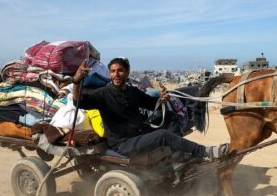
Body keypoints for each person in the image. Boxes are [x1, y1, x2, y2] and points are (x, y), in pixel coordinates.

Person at [72, 57, 229, 161]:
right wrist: (77, 80)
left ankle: (177, 158)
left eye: (120, 70)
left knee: (171, 118)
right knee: (162, 135)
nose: (116, 74)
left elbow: (151, 103)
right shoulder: (103, 94)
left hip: (138, 134)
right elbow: (78, 101)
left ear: (126, 72)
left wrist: (162, 98)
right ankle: (205, 152)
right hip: (122, 144)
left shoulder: (132, 91)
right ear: (109, 74)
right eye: (112, 71)